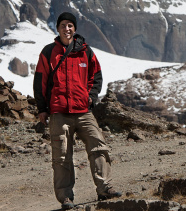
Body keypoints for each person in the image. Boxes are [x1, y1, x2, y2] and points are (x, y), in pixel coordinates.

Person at [33, 11, 122, 209]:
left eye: (70, 25)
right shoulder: (48, 53)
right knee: (62, 155)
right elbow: (40, 81)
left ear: (75, 29)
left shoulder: (86, 52)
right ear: (57, 29)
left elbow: (96, 76)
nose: (67, 29)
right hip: (59, 112)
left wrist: (91, 97)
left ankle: (104, 188)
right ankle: (66, 198)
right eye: (63, 25)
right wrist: (42, 109)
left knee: (98, 146)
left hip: (83, 110)